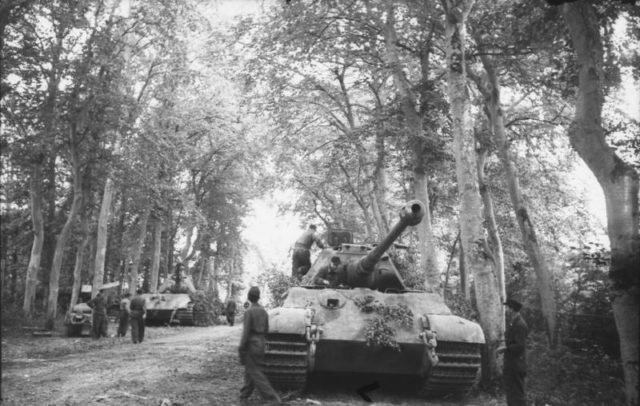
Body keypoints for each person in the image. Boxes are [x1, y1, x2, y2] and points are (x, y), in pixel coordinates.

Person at [238, 287, 281, 406]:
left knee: (255, 371)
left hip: (252, 343)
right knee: (250, 369)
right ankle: (244, 394)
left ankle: (273, 398)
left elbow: (246, 333)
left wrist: (241, 347)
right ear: (258, 297)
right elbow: (267, 329)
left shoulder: (249, 312)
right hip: (261, 342)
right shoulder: (264, 311)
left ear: (249, 297)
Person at [497, 298, 529, 406]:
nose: (506, 310)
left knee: (518, 393)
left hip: (516, 365)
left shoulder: (520, 325)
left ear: (512, 309)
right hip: (511, 364)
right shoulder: (514, 322)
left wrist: (505, 348)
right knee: (511, 392)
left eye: (508, 308)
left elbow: (520, 346)